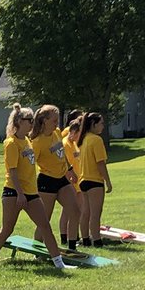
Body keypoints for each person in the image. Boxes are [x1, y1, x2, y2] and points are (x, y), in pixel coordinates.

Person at [0, 106, 66, 270]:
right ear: (20, 122)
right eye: (30, 121)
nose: (32, 124)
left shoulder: (27, 141)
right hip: (14, 192)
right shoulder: (11, 143)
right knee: (7, 229)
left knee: (45, 226)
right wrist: (20, 194)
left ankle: (59, 263)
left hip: (31, 192)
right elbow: (12, 171)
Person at [28, 104, 80, 252]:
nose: (57, 123)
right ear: (44, 120)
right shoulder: (37, 142)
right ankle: (37, 250)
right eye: (54, 120)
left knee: (75, 211)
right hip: (47, 181)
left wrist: (70, 169)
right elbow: (31, 165)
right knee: (44, 220)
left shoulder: (57, 132)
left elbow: (62, 155)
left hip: (62, 179)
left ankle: (71, 246)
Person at [75, 111, 113, 246]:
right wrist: (107, 181)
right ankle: (96, 240)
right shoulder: (96, 140)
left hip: (83, 180)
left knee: (86, 212)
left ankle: (85, 239)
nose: (103, 126)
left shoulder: (84, 139)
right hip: (94, 180)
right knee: (96, 213)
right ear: (93, 124)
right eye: (101, 123)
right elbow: (100, 163)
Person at [62, 115, 86, 249]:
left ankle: (74, 236)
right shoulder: (66, 143)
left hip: (78, 180)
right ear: (73, 132)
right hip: (70, 180)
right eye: (78, 134)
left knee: (76, 210)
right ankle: (65, 237)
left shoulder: (74, 144)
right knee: (68, 211)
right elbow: (65, 164)